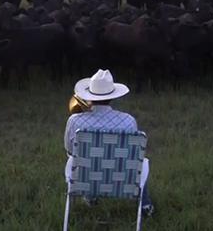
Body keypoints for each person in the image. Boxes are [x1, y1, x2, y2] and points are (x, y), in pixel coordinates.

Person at [64, 69, 154, 216]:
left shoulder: (75, 121)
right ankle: (145, 205)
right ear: (113, 97)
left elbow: (69, 150)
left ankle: (90, 194)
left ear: (90, 96)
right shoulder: (128, 120)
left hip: (84, 178)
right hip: (121, 181)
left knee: (76, 159)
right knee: (142, 162)